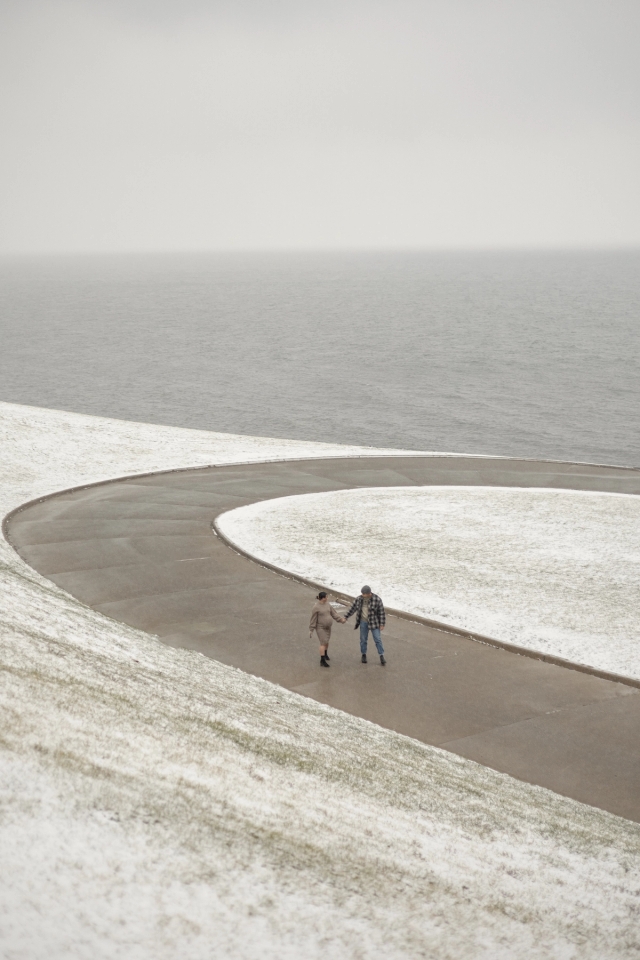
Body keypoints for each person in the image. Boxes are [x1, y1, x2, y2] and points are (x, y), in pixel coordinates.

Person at [344, 585, 386, 665]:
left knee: (377, 639)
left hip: (374, 622)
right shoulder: (359, 599)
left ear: (369, 593)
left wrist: (382, 624)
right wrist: (346, 616)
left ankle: (381, 656)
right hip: (363, 622)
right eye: (362, 593)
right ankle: (363, 654)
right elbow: (352, 608)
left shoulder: (377, 599)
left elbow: (381, 612)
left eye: (364, 594)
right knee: (363, 640)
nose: (362, 595)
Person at [309, 591, 346, 667]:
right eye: (326, 597)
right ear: (323, 598)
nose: (327, 598)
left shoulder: (328, 605)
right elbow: (313, 619)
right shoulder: (316, 607)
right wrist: (311, 629)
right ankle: (322, 660)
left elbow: (334, 613)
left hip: (328, 627)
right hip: (320, 627)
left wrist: (340, 620)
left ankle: (325, 653)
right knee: (323, 642)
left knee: (327, 641)